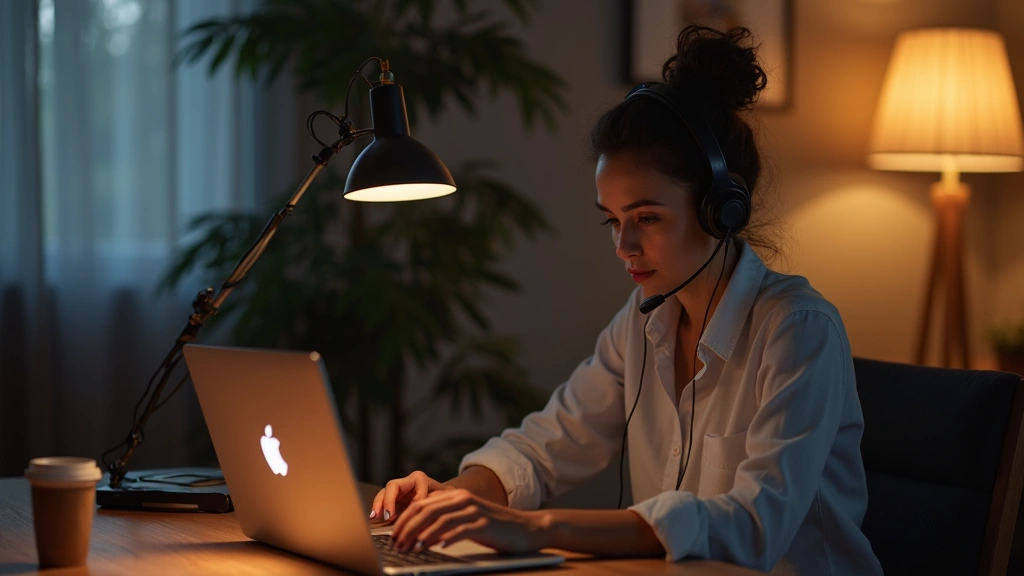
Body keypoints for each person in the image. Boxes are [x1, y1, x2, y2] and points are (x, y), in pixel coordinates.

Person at [370, 26, 883, 575]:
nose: (624, 246)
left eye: (647, 218)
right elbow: (545, 446)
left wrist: (536, 528)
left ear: (719, 209)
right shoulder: (643, 323)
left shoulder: (799, 329)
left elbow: (754, 525)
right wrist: (451, 497)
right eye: (612, 220)